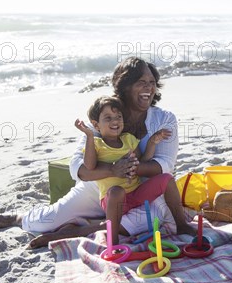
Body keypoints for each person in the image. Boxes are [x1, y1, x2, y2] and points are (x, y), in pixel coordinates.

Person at [0, 57, 195, 247]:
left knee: (152, 220)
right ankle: (17, 218)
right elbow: (77, 168)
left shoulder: (165, 119)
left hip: (140, 191)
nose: (148, 88)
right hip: (100, 188)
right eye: (141, 82)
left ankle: (78, 230)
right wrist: (113, 170)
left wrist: (131, 169)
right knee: (44, 222)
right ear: (125, 86)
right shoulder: (104, 115)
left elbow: (165, 165)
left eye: (151, 83)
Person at [75, 96, 189, 245]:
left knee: (166, 179)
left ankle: (182, 225)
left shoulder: (128, 139)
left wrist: (152, 142)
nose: (115, 121)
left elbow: (143, 162)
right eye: (108, 118)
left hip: (135, 193)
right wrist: (89, 136)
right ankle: (113, 239)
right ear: (96, 125)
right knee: (117, 191)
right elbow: (89, 166)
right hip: (113, 200)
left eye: (118, 117)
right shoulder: (96, 144)